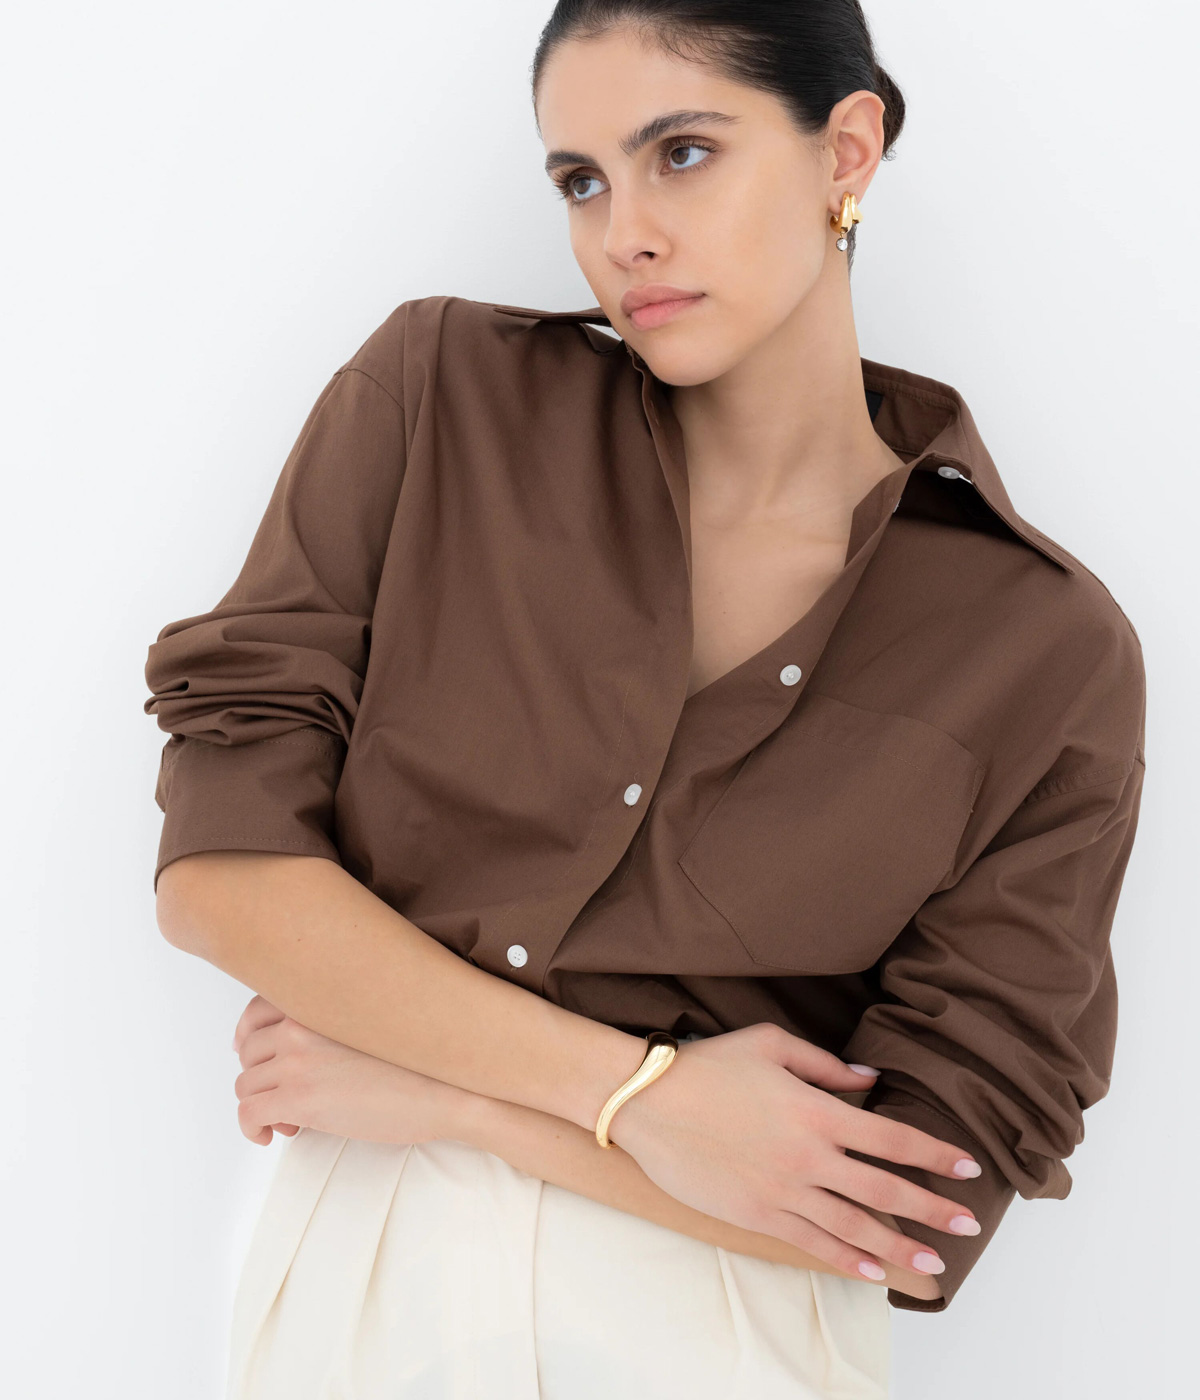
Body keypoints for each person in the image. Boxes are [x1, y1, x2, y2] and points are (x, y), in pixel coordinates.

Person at [145, 3, 1147, 1397]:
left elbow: (921, 1216)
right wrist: (645, 1098)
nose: (625, 234)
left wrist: (450, 1093)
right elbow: (223, 872)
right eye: (581, 180)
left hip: (731, 1327)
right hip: (366, 1293)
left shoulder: (1042, 647)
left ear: (845, 151)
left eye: (682, 153)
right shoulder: (440, 400)